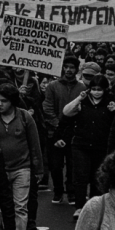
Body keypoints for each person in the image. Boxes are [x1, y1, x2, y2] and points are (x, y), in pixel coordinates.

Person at [0, 84, 43, 230]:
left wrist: (38, 169)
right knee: (5, 207)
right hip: (0, 170)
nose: (0, 104)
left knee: (20, 206)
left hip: (22, 168)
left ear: (13, 102)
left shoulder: (25, 117)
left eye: (4, 101)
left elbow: (34, 144)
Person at [61, 74, 115, 221]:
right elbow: (66, 112)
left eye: (99, 89)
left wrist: (113, 110)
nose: (96, 92)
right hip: (81, 145)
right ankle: (79, 207)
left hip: (100, 146)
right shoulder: (83, 102)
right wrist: (80, 97)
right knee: (80, 176)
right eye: (94, 89)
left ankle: (94, 207)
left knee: (97, 177)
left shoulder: (110, 103)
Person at [43, 56, 85, 204]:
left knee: (73, 164)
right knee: (55, 164)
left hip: (74, 133)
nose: (68, 70)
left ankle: (71, 192)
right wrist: (57, 126)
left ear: (76, 69)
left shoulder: (82, 88)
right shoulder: (52, 86)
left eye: (72, 67)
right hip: (54, 132)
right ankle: (58, 191)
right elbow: (47, 109)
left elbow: (82, 111)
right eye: (66, 67)